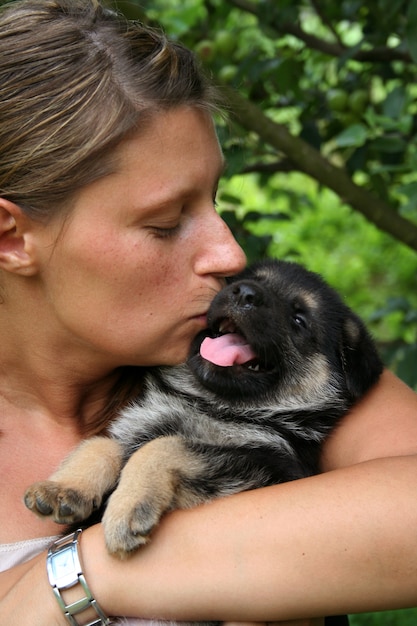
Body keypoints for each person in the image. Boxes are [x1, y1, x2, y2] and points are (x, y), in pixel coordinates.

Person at [0, 1, 417, 625]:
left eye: (215, 197)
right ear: (10, 238)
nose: (231, 253)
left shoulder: (250, 365)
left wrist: (78, 574)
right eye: (166, 224)